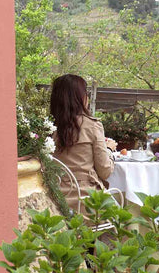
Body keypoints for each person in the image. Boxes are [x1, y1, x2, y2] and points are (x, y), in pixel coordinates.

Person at [50, 74, 117, 215]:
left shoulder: (47, 128)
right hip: (87, 203)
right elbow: (105, 171)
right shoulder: (92, 125)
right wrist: (109, 149)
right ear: (81, 97)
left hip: (56, 203)